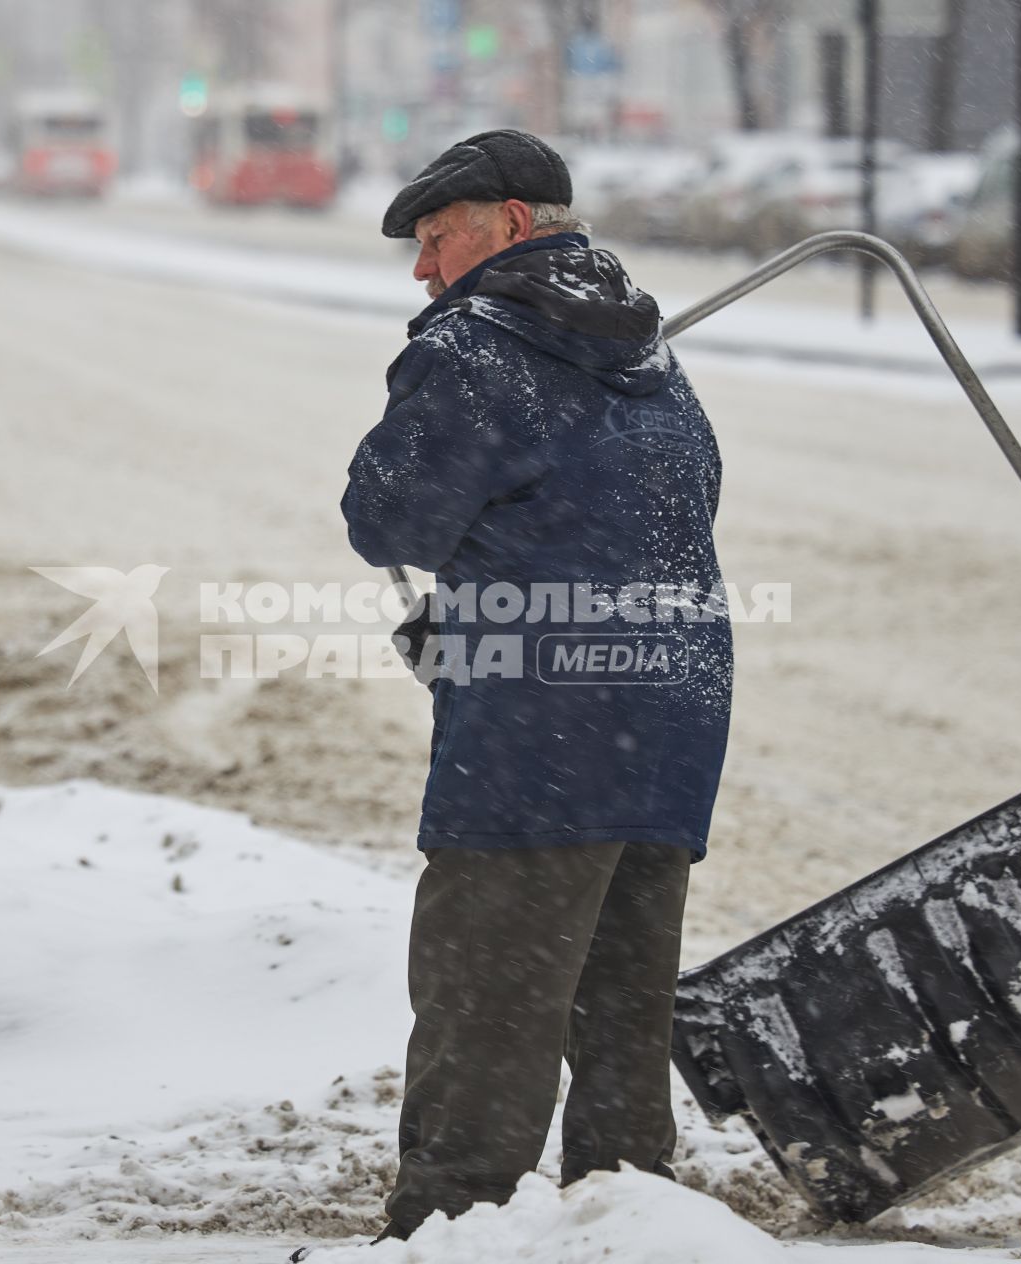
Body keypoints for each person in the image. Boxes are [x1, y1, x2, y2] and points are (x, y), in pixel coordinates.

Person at [302, 131, 734, 1256]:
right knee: (618, 991)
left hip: (542, 722)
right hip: (671, 707)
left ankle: (453, 1223)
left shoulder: (478, 351)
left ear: (512, 221)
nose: (422, 270)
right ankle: (624, 1210)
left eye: (437, 238)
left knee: (489, 988)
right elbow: (678, 502)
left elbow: (385, 519)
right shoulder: (644, 344)